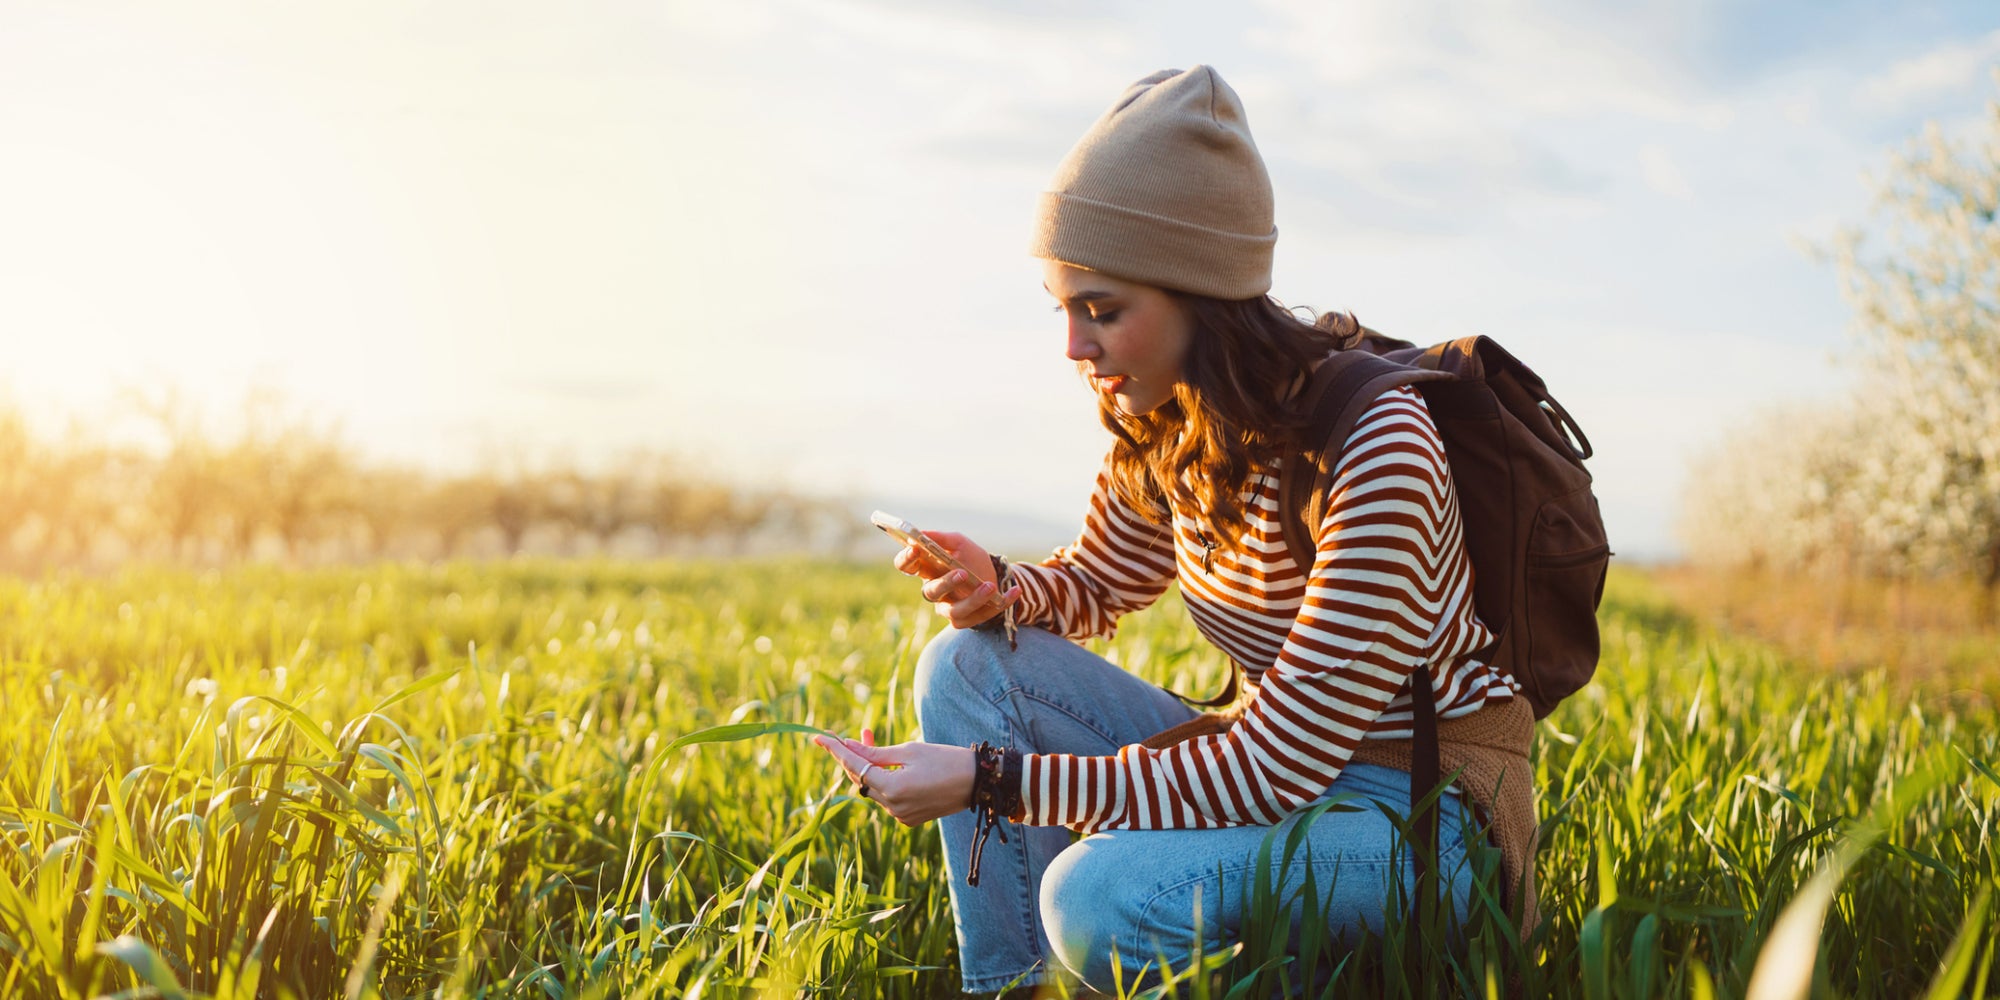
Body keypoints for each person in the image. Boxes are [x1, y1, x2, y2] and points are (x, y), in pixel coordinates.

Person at [813, 65, 1537, 995]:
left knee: (1095, 899)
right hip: (1277, 765)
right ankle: (1017, 989)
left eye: (1102, 311)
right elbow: (1098, 582)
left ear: (1203, 293)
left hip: (1415, 816)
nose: (1073, 347)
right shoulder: (1172, 418)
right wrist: (1001, 586)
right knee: (966, 665)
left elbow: (1276, 767)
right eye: (1063, 307)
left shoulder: (1377, 443)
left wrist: (993, 781)